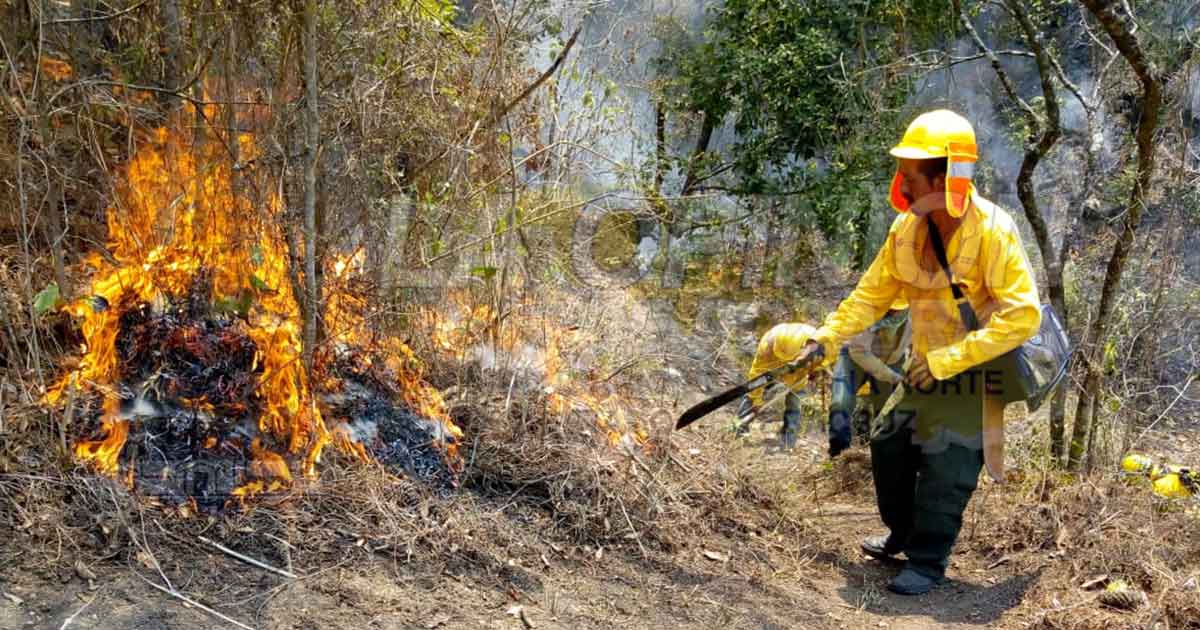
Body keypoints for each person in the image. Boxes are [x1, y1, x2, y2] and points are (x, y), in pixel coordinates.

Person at [787, 110, 1042, 595]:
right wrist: (827, 337)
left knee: (948, 464)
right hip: (924, 369)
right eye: (902, 169)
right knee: (888, 445)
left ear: (948, 176)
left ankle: (927, 562)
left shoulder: (993, 230)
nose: (902, 181)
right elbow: (870, 296)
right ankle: (902, 535)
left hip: (976, 370)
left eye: (911, 171)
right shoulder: (905, 230)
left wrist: (948, 360)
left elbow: (1023, 316)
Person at [828, 305, 910, 456]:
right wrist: (893, 377)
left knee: (885, 412)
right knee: (840, 402)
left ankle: (883, 456)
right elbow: (859, 351)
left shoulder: (916, 313)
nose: (893, 311)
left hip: (891, 360)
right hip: (854, 356)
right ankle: (839, 451)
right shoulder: (866, 308)